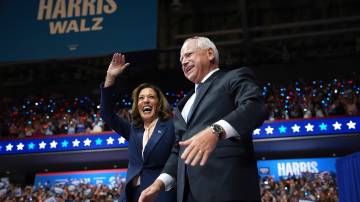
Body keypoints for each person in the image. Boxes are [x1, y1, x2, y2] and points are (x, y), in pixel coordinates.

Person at [139, 36, 267, 202]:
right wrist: (159, 183)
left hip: (226, 189)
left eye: (189, 55)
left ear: (210, 54)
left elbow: (255, 107)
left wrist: (216, 131)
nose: (184, 62)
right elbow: (179, 150)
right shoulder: (183, 105)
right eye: (181, 59)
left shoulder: (232, 78)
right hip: (187, 195)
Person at [100, 53, 176, 202]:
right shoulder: (134, 129)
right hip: (131, 195)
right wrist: (110, 78)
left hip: (159, 195)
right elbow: (106, 113)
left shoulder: (171, 127)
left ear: (158, 103)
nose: (145, 100)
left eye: (151, 97)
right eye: (141, 98)